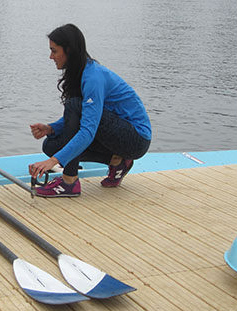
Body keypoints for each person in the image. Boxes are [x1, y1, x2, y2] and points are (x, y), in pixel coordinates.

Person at [28, 23, 151, 197]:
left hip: (136, 138)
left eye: (54, 51)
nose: (50, 56)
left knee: (72, 109)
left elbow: (88, 129)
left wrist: (53, 161)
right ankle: (117, 161)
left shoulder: (93, 77)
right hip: (116, 134)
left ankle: (69, 182)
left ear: (69, 51)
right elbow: (85, 114)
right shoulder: (80, 73)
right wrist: (52, 128)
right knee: (52, 144)